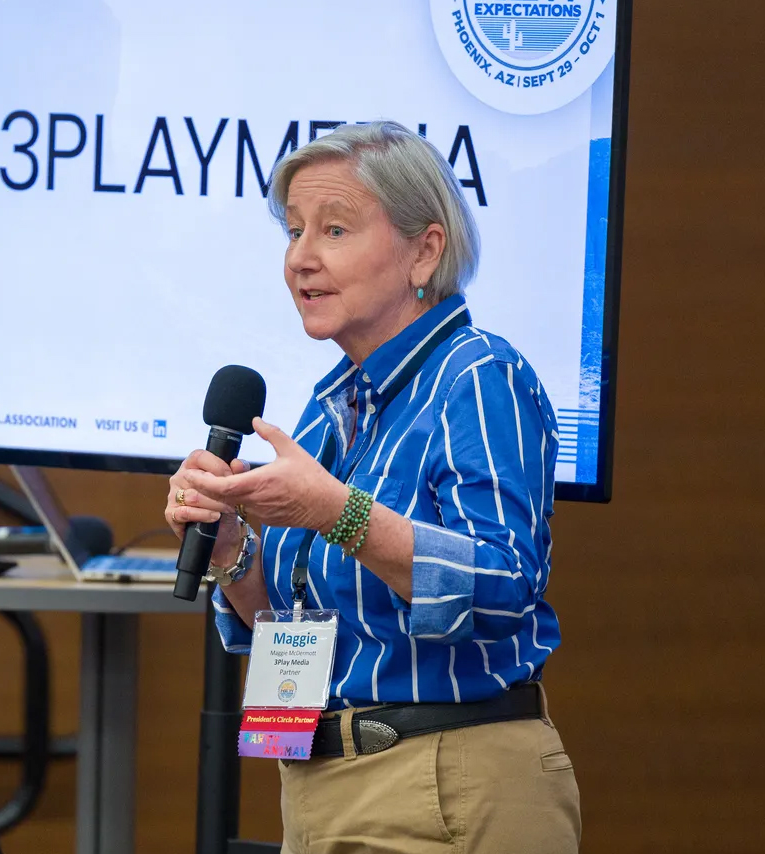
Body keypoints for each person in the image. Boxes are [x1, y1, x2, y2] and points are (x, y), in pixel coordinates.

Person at [164, 122, 580, 853]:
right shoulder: (328, 415)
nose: (301, 258)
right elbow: (302, 626)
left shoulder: (478, 376)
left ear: (425, 250)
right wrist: (232, 552)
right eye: (293, 232)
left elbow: (505, 585)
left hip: (446, 787)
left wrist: (335, 511)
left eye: (333, 229)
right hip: (323, 786)